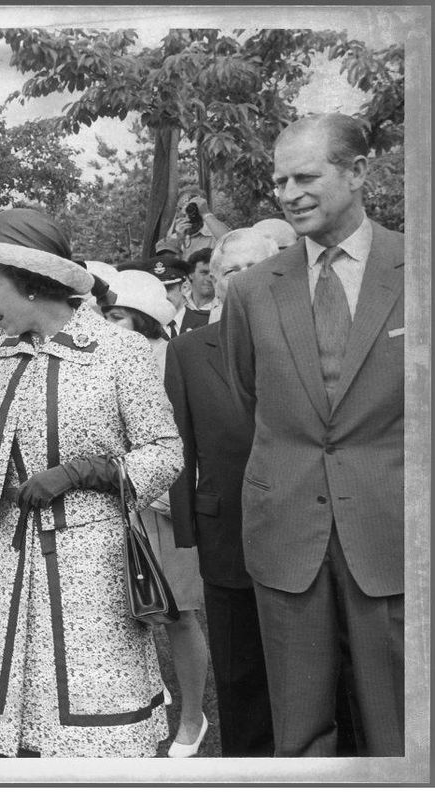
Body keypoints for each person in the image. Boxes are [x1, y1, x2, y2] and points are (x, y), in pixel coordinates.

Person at [0, 208, 183, 757]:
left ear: (31, 285)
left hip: (89, 564)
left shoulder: (118, 352)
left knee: (99, 726)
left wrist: (89, 471)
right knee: (24, 728)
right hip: (13, 557)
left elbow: (166, 453)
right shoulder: (0, 356)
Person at [221, 113, 405, 757]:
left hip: (393, 533)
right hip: (288, 534)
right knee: (298, 736)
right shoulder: (248, 292)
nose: (289, 193)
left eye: (306, 176)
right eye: (279, 181)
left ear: (357, 173)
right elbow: (250, 396)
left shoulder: (418, 267)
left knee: (403, 731)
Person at [165, 228, 279, 757]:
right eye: (234, 271)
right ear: (215, 278)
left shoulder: (303, 337)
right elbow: (180, 447)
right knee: (238, 672)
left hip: (304, 528)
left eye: (259, 267)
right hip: (224, 531)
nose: (247, 279)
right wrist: (189, 531)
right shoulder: (187, 352)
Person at [102, 270, 212, 758]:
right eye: (106, 315)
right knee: (130, 615)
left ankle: (193, 718)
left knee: (180, 614)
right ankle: (145, 702)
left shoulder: (172, 358)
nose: (110, 324)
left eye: (118, 315)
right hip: (118, 503)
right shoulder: (102, 360)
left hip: (167, 505)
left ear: (144, 317)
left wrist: (170, 493)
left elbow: (187, 441)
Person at [165, 187, 231, 260]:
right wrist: (178, 241)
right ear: (178, 210)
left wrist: (206, 213)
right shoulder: (173, 238)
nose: (189, 212)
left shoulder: (215, 232)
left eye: (193, 208)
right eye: (184, 208)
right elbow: (168, 265)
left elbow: (231, 242)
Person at [184, 247, 219, 313]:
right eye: (204, 273)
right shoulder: (178, 301)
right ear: (191, 274)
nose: (209, 279)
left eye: (213, 274)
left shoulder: (225, 308)